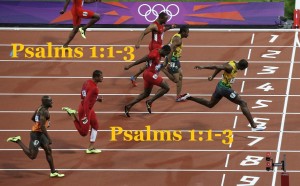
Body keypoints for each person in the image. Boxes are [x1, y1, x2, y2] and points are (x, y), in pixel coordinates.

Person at [179, 59, 266, 131]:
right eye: (245, 68)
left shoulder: (232, 62)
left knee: (210, 104)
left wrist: (213, 76)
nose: (244, 70)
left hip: (219, 86)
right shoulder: (230, 67)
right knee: (243, 103)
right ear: (242, 67)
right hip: (225, 89)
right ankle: (254, 126)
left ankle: (189, 97)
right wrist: (203, 67)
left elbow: (221, 67)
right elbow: (216, 66)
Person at [6, 96, 65, 178]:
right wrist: (48, 138)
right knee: (32, 156)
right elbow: (42, 127)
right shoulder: (44, 112)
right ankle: (18, 140)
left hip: (40, 133)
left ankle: (53, 172)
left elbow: (33, 118)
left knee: (48, 150)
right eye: (50, 101)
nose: (52, 102)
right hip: (36, 135)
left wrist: (39, 124)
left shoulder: (39, 108)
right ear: (45, 102)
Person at [62, 70, 103, 153]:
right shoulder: (95, 88)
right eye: (101, 76)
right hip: (85, 109)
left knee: (95, 125)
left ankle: (91, 148)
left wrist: (96, 99)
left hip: (88, 108)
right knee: (84, 133)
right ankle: (73, 115)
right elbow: (87, 101)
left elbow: (83, 95)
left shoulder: (87, 82)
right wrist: (86, 116)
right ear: (96, 77)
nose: (103, 78)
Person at [124, 45, 171, 117]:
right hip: (149, 75)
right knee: (166, 87)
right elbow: (141, 60)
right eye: (166, 53)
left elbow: (160, 65)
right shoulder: (154, 54)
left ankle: (128, 106)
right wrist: (130, 65)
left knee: (146, 94)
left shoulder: (159, 51)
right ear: (163, 50)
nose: (166, 56)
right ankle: (150, 101)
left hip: (150, 75)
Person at [130, 12, 176, 87]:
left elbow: (163, 29)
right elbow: (144, 33)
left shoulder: (161, 24)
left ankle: (136, 76)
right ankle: (138, 76)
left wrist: (171, 27)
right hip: (154, 47)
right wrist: (138, 43)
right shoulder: (154, 25)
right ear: (161, 18)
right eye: (165, 20)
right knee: (150, 64)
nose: (166, 21)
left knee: (149, 64)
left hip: (159, 46)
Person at [162, 25, 189, 102]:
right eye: (187, 33)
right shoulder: (178, 40)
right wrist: (169, 62)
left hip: (176, 59)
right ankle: (162, 68)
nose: (188, 34)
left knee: (180, 76)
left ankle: (178, 96)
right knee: (176, 80)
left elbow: (168, 45)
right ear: (183, 32)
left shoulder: (176, 36)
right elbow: (170, 49)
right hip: (173, 60)